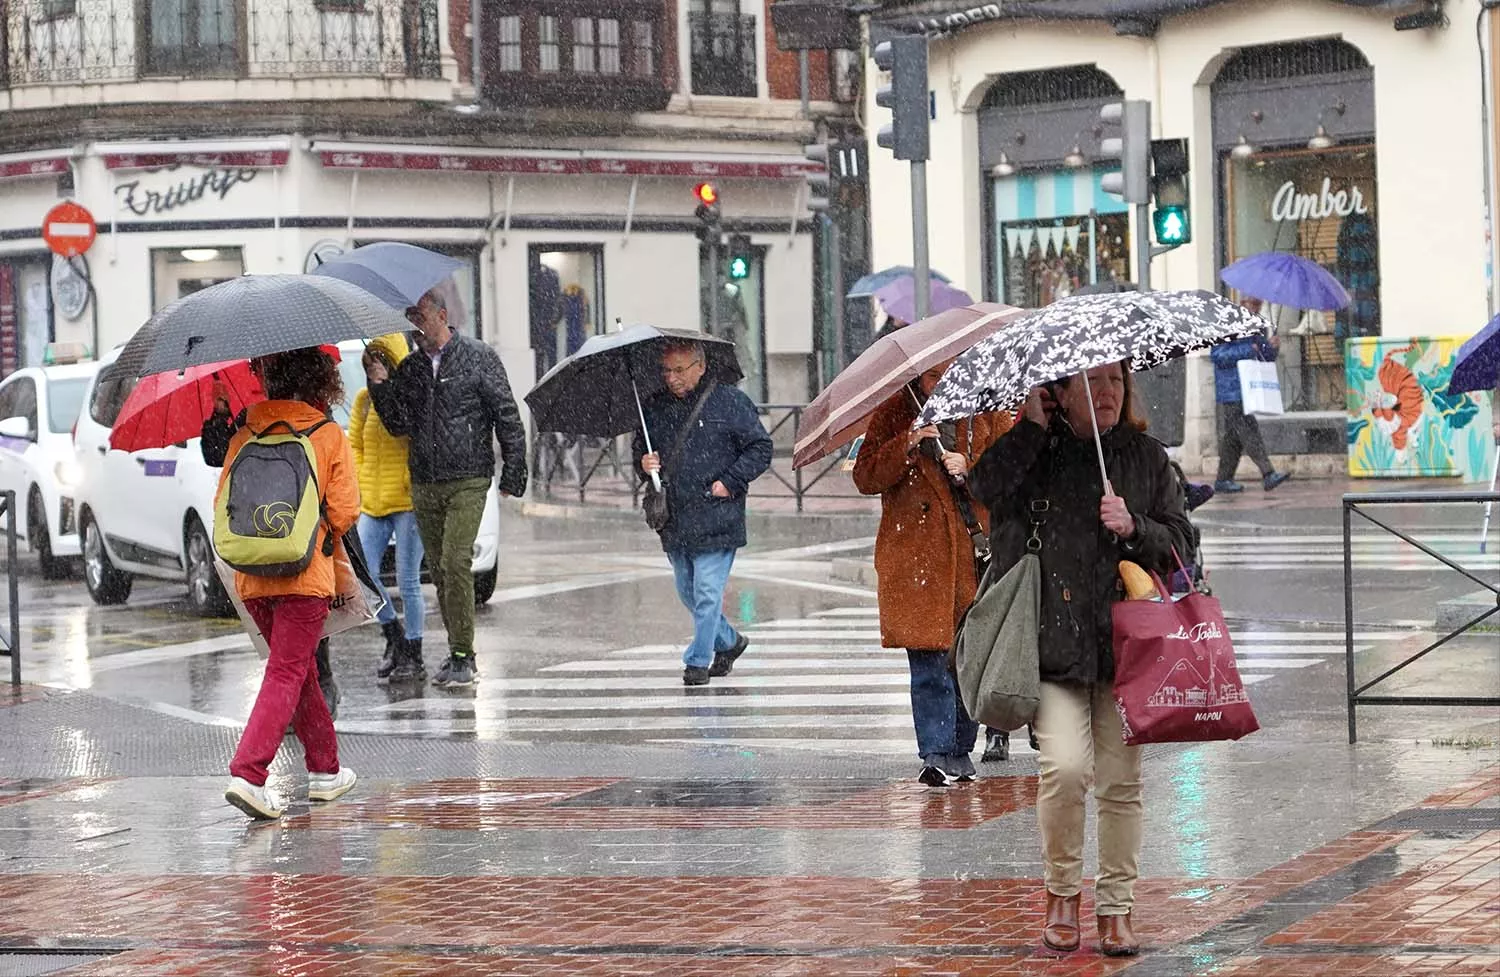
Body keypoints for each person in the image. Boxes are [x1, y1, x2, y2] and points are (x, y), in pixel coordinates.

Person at [970, 361, 1194, 958]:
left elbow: (1182, 542)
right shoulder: (1035, 453)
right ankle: (1062, 896)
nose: (1107, 392)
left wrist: (1135, 526)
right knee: (1066, 770)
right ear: (1062, 392)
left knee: (1121, 783)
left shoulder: (1145, 457)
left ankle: (1116, 907)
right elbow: (983, 490)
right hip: (1053, 647)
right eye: (1092, 382)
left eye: (1116, 381)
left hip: (1127, 648)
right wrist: (1028, 429)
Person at [851, 361, 1010, 786]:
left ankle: (959, 748)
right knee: (927, 661)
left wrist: (970, 469)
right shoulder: (896, 410)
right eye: (933, 376)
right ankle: (936, 752)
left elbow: (1014, 475)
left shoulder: (987, 410)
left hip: (973, 555)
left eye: (949, 373)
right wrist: (907, 444)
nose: (941, 383)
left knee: (965, 659)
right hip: (918, 557)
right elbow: (865, 476)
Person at [220, 347, 360, 820]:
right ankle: (249, 773)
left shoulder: (245, 433)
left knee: (298, 672)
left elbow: (226, 501)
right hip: (304, 574)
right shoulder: (326, 434)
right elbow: (345, 511)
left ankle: (325, 769)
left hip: (253, 576)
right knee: (287, 671)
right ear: (321, 383)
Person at [367, 285, 528, 689]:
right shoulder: (412, 368)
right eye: (410, 318)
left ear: (441, 316)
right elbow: (398, 424)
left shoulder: (478, 357)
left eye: (420, 317)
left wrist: (514, 471)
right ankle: (457, 651)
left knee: (456, 561)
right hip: (425, 481)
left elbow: (507, 414)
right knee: (439, 568)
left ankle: (463, 655)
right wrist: (380, 385)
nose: (415, 325)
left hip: (468, 477)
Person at [633, 340, 772, 686]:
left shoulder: (730, 402)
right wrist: (644, 463)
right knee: (688, 592)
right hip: (675, 517)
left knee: (708, 593)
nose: (672, 378)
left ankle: (697, 662)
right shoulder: (654, 407)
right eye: (666, 371)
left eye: (680, 370)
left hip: (717, 513)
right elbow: (642, 451)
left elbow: (760, 448)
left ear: (701, 366)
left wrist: (729, 482)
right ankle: (729, 642)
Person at [203, 383, 340, 720]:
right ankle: (308, 709)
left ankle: (313, 695)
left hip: (298, 534)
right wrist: (220, 418)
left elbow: (334, 486)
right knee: (290, 648)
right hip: (267, 535)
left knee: (300, 638)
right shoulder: (250, 418)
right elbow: (216, 455)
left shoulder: (316, 417)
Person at [350, 334, 427, 683]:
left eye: (380, 362)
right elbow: (355, 446)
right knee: (363, 575)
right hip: (373, 501)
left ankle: (414, 652)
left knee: (408, 580)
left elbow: (409, 435)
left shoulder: (407, 396)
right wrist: (361, 481)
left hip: (406, 501)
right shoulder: (364, 401)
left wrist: (385, 388)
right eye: (368, 364)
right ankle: (393, 636)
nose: (373, 370)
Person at [1210, 297, 1290, 494]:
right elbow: (1217, 355)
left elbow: (1264, 356)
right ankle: (1268, 473)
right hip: (1231, 390)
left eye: (1258, 305)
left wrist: (1272, 347)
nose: (1256, 309)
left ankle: (1223, 479)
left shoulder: (1255, 327)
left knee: (1234, 436)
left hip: (1247, 388)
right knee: (1248, 429)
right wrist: (1247, 349)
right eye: (1253, 305)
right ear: (1242, 303)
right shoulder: (1225, 323)